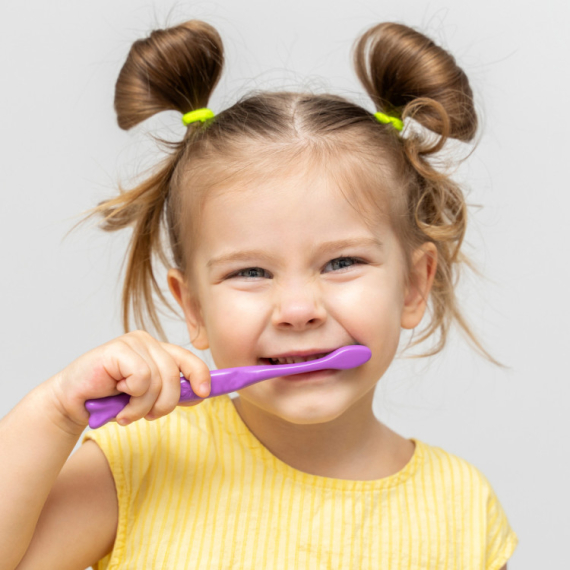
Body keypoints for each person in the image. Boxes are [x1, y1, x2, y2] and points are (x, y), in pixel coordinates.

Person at [0, 19, 518, 570]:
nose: (297, 310)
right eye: (250, 272)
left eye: (341, 263)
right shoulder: (137, 463)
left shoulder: (462, 508)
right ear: (194, 308)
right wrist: (56, 412)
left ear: (414, 285)